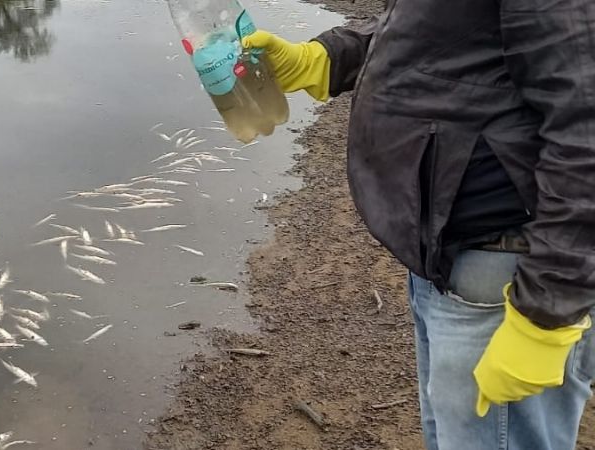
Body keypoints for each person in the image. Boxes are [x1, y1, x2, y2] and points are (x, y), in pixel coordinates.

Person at [242, 1, 595, 449]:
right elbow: (444, 27)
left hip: (507, 276)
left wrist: (545, 315)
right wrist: (329, 58)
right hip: (446, 253)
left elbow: (585, 122)